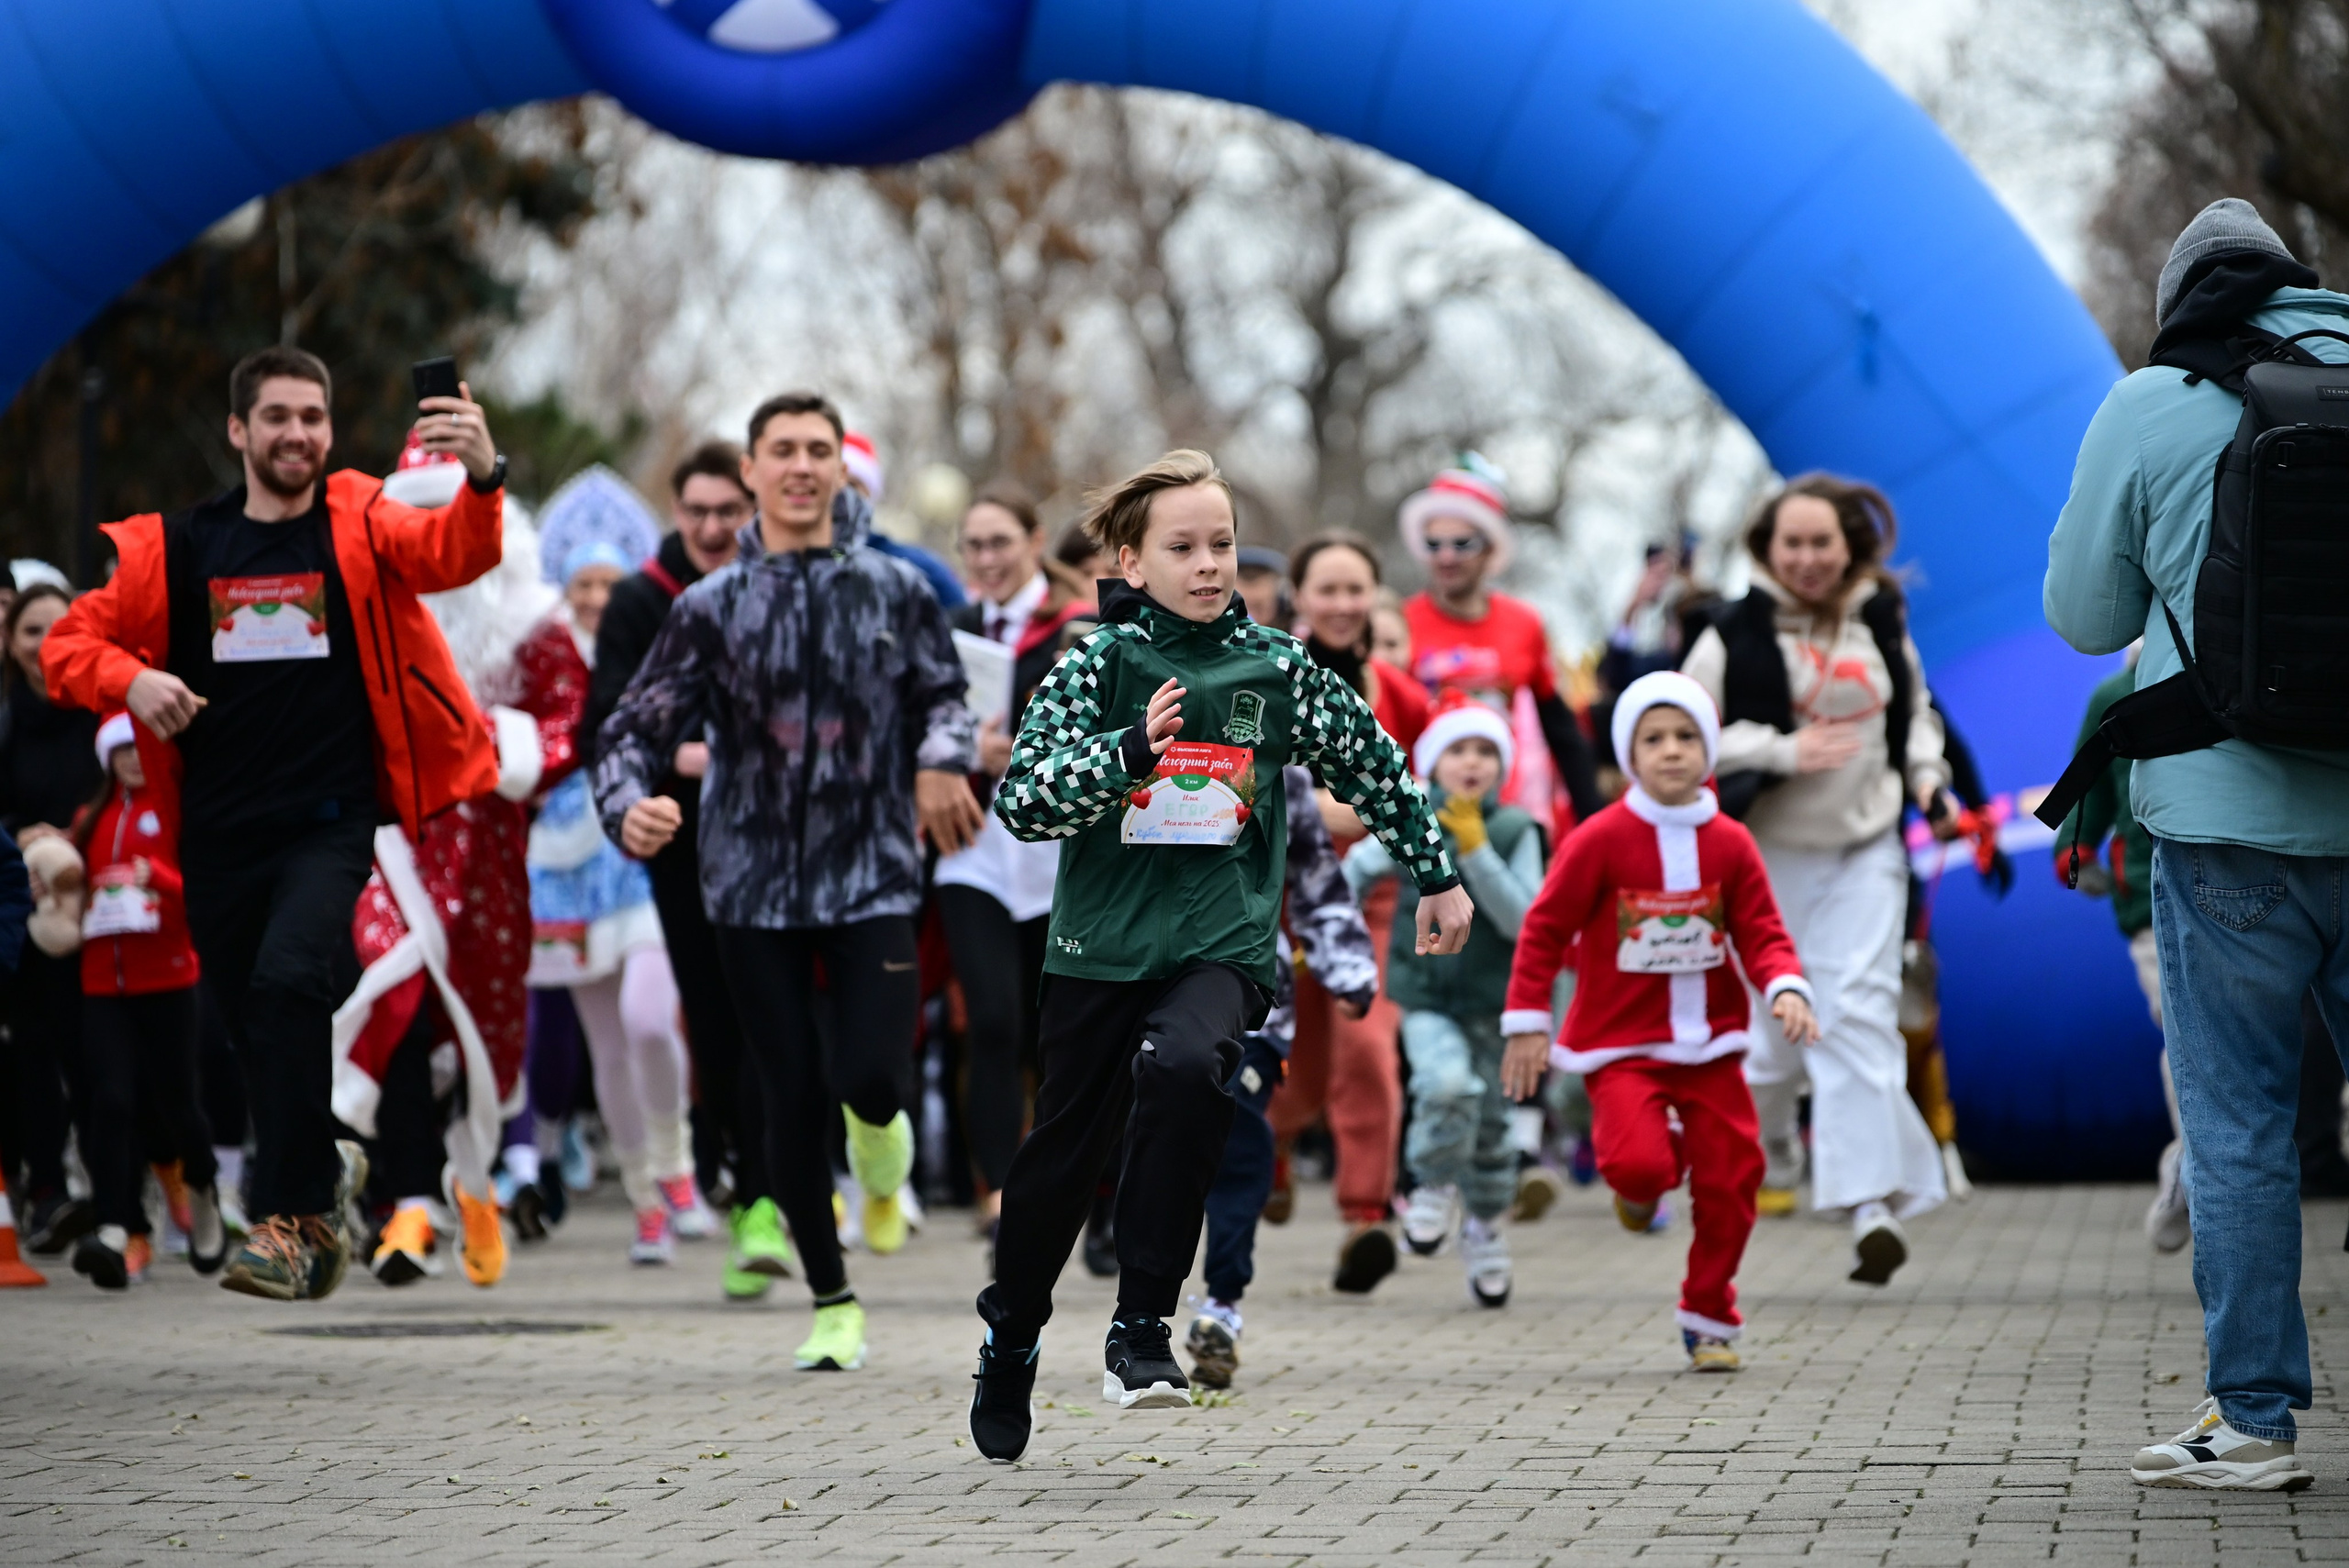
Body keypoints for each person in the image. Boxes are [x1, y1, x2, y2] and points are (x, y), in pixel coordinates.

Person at [965, 447, 1473, 1463]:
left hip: (1222, 940)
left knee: (1192, 1065)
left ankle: (1142, 1325)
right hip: (1098, 948)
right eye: (1183, 547)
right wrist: (1126, 756)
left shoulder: (1279, 669)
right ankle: (1011, 1331)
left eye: (1223, 545)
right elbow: (1020, 799)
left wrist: (1436, 870)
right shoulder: (1094, 662)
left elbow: (1375, 763)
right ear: (1131, 561)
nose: (1208, 565)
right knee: (1059, 1164)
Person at [43, 344, 506, 1303]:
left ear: (330, 431)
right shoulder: (179, 548)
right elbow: (65, 643)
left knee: (294, 976)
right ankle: (327, 1167)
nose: (297, 433)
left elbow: (453, 552)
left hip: (329, 820)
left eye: (313, 417)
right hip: (214, 830)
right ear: (238, 430)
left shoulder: (364, 520)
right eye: (278, 417)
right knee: (255, 1027)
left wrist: (484, 475)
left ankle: (288, 1221)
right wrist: (133, 679)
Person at [2045, 198, 2349, 1492]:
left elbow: (2082, 615)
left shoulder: (2149, 402)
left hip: (2222, 827)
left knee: (2237, 1130)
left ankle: (2258, 1422)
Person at [596, 392, 981, 1372]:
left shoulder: (895, 589)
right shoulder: (709, 606)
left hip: (872, 874)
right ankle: (833, 1297)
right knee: (787, 1095)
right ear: (754, 472)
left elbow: (945, 698)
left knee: (869, 1075)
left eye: (819, 449)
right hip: (749, 884)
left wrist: (940, 761)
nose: (802, 466)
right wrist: (626, 803)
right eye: (783, 451)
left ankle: (882, 1143)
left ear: (841, 469)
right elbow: (631, 728)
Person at [1681, 473, 1956, 1282]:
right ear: (1767, 547)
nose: (1806, 558)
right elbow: (1680, 735)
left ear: (1850, 547)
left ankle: (1869, 1206)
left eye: (1821, 543)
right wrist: (1777, 749)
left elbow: (1916, 716)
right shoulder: (1728, 630)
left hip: (1866, 847)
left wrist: (1929, 780)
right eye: (1791, 543)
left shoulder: (1880, 619)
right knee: (1771, 1044)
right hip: (1766, 858)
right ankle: (1771, 1146)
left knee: (1857, 1014)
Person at [1501, 672, 1819, 1371]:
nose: (1671, 751)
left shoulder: (1732, 842)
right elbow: (1546, 927)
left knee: (1736, 1179)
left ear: (1708, 750)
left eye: (1685, 737)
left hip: (1710, 1047)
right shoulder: (1599, 837)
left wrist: (1785, 987)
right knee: (1638, 1165)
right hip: (1622, 1046)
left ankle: (1709, 1315)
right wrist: (1527, 1018)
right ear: (1629, 753)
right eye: (1653, 739)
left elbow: (1762, 929)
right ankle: (1643, 1189)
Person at [584, 439, 788, 1299]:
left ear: (751, 509)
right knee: (713, 1021)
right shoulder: (640, 600)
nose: (711, 527)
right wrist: (693, 767)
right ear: (676, 513)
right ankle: (745, 1189)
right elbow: (610, 722)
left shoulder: (784, 587)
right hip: (679, 838)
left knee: (785, 1019)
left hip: (783, 841)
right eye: (695, 511)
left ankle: (789, 1190)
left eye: (726, 512)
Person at [524, 473, 709, 1268]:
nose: (598, 596)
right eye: (584, 582)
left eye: (609, 580)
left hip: (637, 845)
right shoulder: (537, 649)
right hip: (564, 863)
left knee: (647, 1015)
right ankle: (644, 1201)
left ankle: (679, 1167)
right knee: (606, 1043)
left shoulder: (650, 632)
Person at [1261, 531, 1431, 1282]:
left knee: (1366, 1046)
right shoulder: (1266, 677)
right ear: (1299, 595)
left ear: (1374, 595)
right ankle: (1270, 1157)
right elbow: (1258, 782)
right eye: (1325, 589)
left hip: (1377, 894)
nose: (1341, 604)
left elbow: (1419, 797)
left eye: (1354, 589)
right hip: (1286, 893)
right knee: (1294, 1064)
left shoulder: (1403, 693)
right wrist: (1344, 807)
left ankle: (1366, 1213)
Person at [1346, 694, 1547, 1307]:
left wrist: (1479, 852)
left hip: (1494, 1002)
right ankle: (1430, 1184)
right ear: (1433, 761)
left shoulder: (1516, 829)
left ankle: (1484, 1226)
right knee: (1446, 1085)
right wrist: (1334, 927)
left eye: (1487, 750)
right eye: (1458, 748)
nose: (1472, 762)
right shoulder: (1414, 817)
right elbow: (1354, 867)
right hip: (1425, 991)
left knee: (1491, 1124)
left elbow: (1524, 920)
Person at [939, 482, 1096, 1233]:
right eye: (973, 545)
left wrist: (1032, 749)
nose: (987, 559)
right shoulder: (952, 631)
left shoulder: (1078, 629)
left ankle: (1078, 1187)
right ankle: (998, 1191)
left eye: (1001, 542)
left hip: (1057, 854)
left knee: (1056, 1029)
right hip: (972, 847)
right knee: (991, 1019)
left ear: (1035, 542)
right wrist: (968, 750)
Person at [1189, 763, 1375, 1387]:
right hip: (1144, 985)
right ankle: (1139, 1308)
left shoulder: (1278, 770)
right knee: (1159, 1149)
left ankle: (1221, 1306)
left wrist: (1348, 970)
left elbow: (1317, 882)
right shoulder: (1133, 740)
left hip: (1255, 999)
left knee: (1242, 1143)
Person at [67, 711, 223, 1288]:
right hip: (102, 982)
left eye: (143, 750)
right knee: (109, 1101)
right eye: (123, 751)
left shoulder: (177, 813)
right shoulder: (90, 817)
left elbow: (203, 891)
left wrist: (155, 877)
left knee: (179, 1105)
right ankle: (113, 1222)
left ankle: (203, 1190)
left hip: (170, 977)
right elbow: (71, 884)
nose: (133, 760)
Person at [2052, 648, 2179, 1247]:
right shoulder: (2116, 693)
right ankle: (2197, 1168)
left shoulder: (2243, 674)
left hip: (2250, 876)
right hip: (2151, 899)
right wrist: (2072, 845)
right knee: (2188, 1034)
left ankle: (2197, 1165)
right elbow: (2090, 782)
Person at [1398, 464, 1603, 826]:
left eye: (1462, 543)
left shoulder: (1525, 623)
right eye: (1434, 544)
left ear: (1490, 548)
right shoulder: (1400, 623)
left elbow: (1561, 730)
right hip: (1423, 813)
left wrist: (1594, 819)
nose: (1446, 557)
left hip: (1509, 814)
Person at [0, 581, 102, 1256]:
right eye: (30, 630)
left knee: (102, 1057)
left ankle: (119, 1200)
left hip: (106, 911)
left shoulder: (106, 714)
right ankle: (45, 1192)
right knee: (29, 1050)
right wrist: (25, 837)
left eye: (58, 628)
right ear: (11, 642)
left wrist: (81, 835)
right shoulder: (4, 722)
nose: (43, 644)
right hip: (23, 906)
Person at [841, 429, 966, 609]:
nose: (840, 494)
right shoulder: (793, 566)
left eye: (852, 484)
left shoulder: (921, 569)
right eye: (832, 484)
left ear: (870, 492)